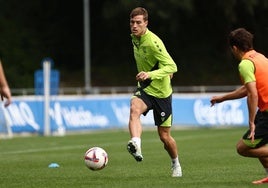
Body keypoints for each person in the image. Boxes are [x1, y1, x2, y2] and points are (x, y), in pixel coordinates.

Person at [126, 7, 182, 177]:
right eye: (132, 22)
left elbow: (172, 66)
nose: (134, 26)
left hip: (162, 94)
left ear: (146, 23)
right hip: (145, 89)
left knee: (165, 137)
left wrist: (150, 74)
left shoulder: (153, 42)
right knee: (134, 108)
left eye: (138, 23)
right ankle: (136, 143)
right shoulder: (135, 38)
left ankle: (176, 164)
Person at [210, 28, 268, 184]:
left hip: (266, 112)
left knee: (243, 148)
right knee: (257, 143)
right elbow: (248, 89)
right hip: (264, 111)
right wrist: (224, 98)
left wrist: (251, 122)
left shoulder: (245, 64)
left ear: (234, 48)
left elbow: (252, 94)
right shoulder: (260, 57)